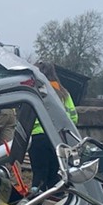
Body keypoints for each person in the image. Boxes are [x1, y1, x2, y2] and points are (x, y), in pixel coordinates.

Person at [29, 61, 78, 191]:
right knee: (54, 174)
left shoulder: (33, 91)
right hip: (58, 139)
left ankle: (37, 200)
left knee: (39, 174)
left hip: (38, 137)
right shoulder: (63, 92)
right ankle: (57, 200)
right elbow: (73, 117)